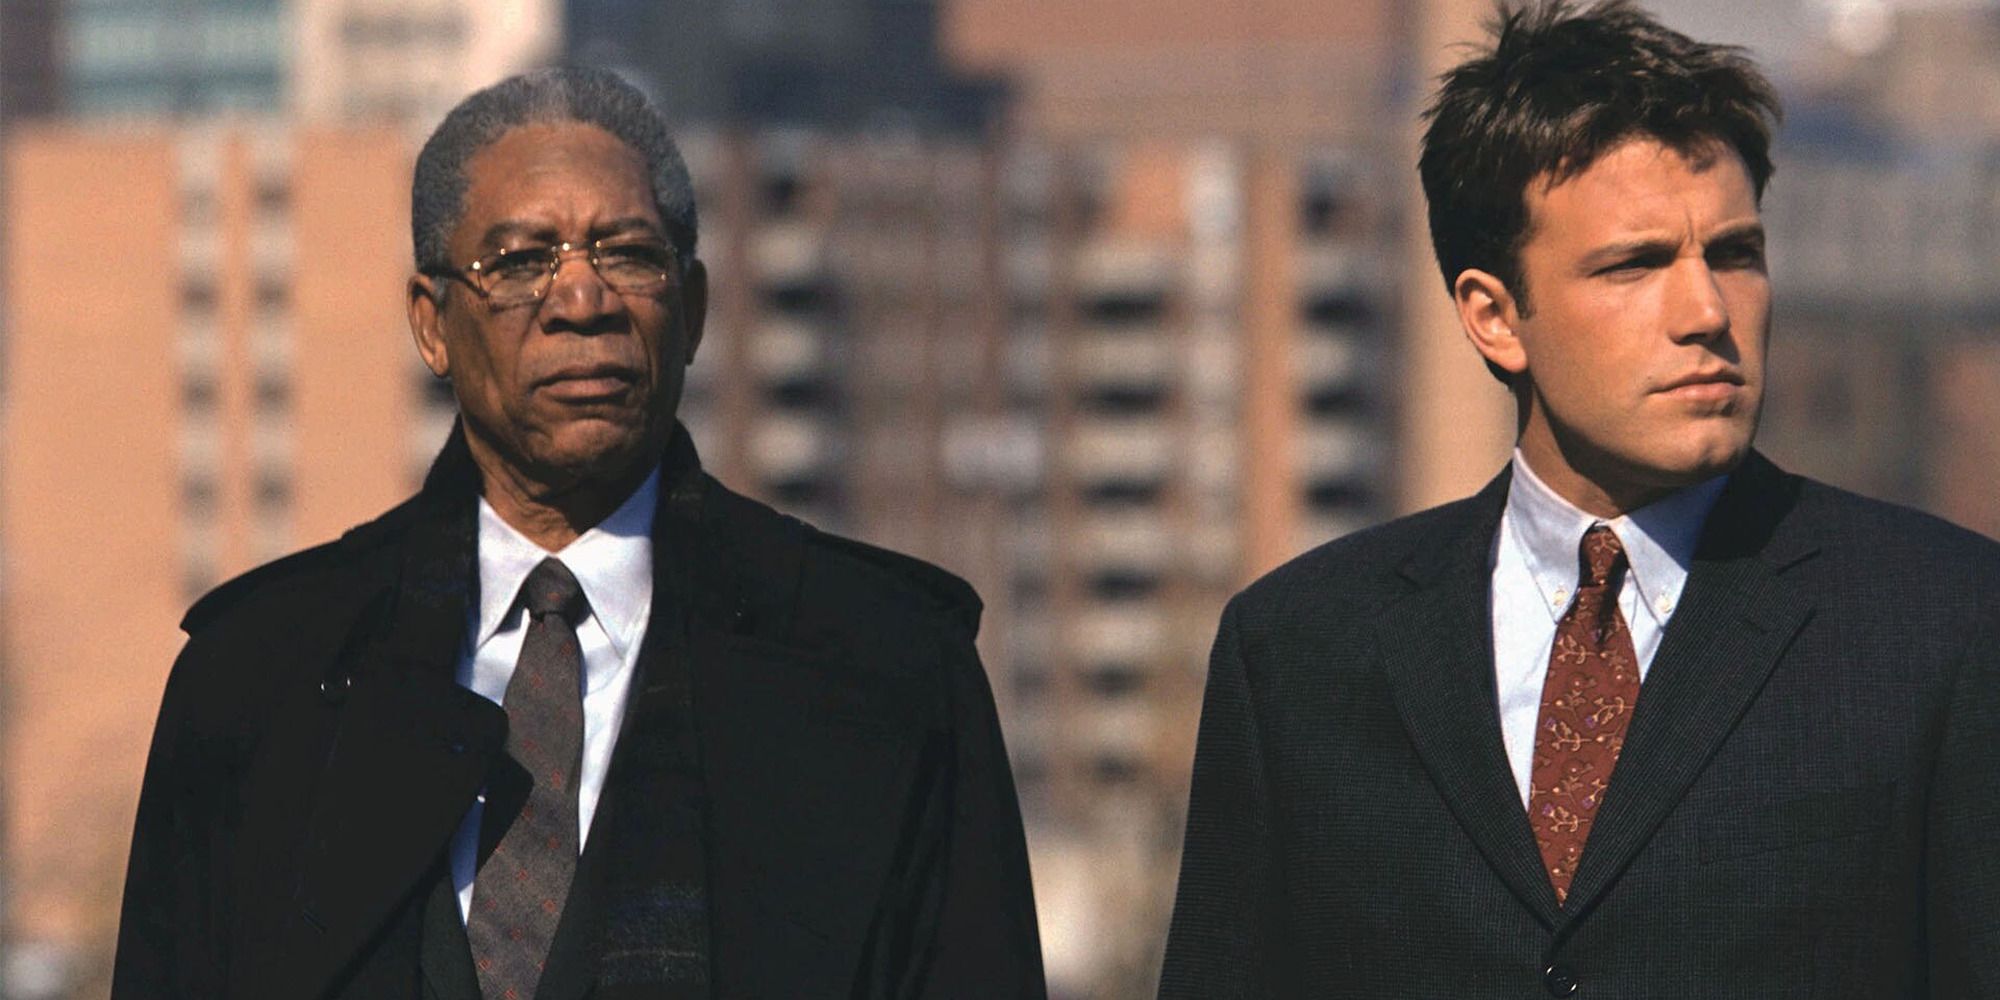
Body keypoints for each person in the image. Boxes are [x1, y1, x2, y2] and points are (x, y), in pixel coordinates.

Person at [112, 68, 1045, 1000]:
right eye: (520, 262)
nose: (581, 300)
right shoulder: (263, 678)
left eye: (627, 254)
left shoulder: (883, 668)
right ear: (431, 326)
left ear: (694, 312)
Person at [1159, 2, 2000, 996]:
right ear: (1492, 316)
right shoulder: (1300, 650)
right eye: (1635, 264)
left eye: (1733, 253)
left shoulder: (1940, 624)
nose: (1705, 313)